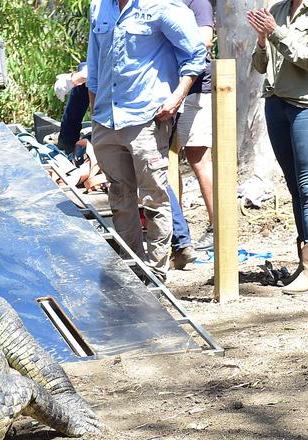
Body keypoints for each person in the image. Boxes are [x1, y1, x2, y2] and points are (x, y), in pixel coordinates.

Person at [85, 0, 206, 280]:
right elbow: (94, 64)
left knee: (154, 196)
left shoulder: (164, 6)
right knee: (119, 196)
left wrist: (177, 97)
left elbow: (196, 54)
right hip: (106, 118)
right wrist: (95, 111)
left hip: (145, 117)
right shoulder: (99, 7)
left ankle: (156, 272)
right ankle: (133, 269)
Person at [249, 0, 308, 293]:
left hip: (307, 107)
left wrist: (275, 33)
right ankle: (304, 263)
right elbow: (260, 65)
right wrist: (262, 41)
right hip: (276, 104)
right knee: (293, 186)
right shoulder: (276, 10)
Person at [175, 0, 216, 256]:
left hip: (196, 89)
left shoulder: (197, 2)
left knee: (198, 159)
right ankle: (178, 232)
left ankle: (217, 226)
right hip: (163, 89)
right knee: (163, 162)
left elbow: (205, 40)